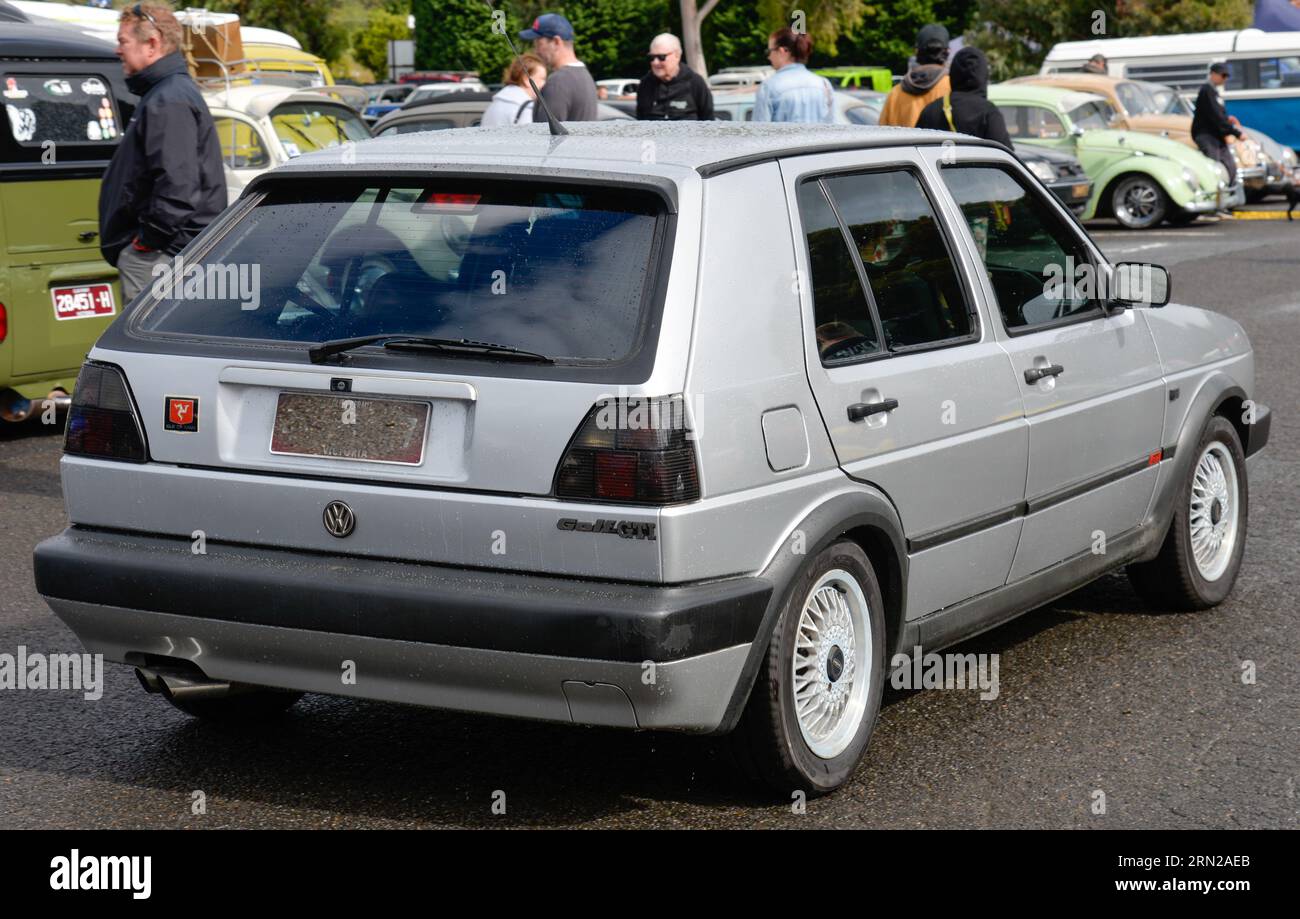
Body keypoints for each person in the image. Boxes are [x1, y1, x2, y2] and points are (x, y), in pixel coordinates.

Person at [99, 2, 224, 300]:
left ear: (152, 44)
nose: (118, 50)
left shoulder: (168, 99)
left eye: (123, 41)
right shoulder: (165, 93)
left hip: (161, 255)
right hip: (166, 252)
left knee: (143, 345)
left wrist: (146, 243)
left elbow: (178, 187)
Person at [916, 47, 1012, 150]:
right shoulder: (988, 112)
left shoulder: (930, 110)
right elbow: (1005, 153)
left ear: (953, 74)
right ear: (983, 74)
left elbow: (916, 149)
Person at [519, 13, 598, 122]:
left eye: (538, 43)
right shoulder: (585, 75)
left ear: (556, 42)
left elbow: (545, 135)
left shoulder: (558, 82)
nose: (535, 50)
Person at [1192, 61, 1244, 217]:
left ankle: (1225, 203)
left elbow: (1219, 116)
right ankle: (1210, 206)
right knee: (1213, 170)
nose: (1225, 79)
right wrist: (1236, 132)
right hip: (1206, 136)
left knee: (1230, 167)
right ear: (1213, 74)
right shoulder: (1207, 90)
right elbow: (1215, 116)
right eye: (1222, 75)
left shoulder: (1214, 91)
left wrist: (1229, 121)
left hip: (1217, 136)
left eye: (1226, 76)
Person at [752, 28, 833, 123]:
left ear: (782, 51)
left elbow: (760, 131)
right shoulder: (824, 84)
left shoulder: (769, 87)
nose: (769, 57)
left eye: (769, 51)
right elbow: (833, 128)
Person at [878, 24, 951, 127]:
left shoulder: (895, 93)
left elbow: (882, 133)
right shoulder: (952, 88)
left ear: (917, 51)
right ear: (947, 51)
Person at [636, 33, 713, 120]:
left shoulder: (695, 83)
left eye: (661, 57)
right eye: (652, 57)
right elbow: (640, 122)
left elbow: (708, 122)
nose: (655, 62)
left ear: (677, 56)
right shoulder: (645, 85)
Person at [481, 53, 546, 127]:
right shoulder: (527, 110)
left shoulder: (493, 105)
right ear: (527, 80)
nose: (545, 84)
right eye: (542, 78)